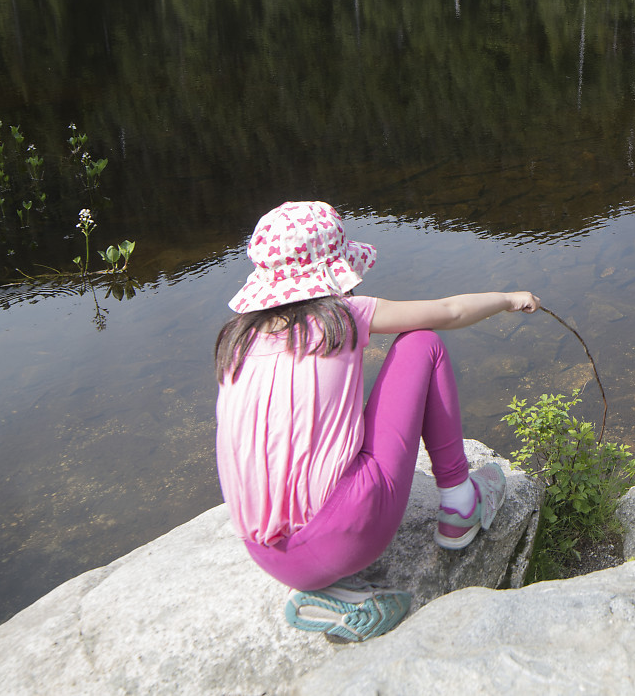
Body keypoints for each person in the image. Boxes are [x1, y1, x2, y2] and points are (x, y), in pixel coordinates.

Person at [214, 200, 540, 641]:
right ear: (330, 271)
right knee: (422, 343)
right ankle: (461, 505)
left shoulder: (238, 340)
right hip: (346, 537)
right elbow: (449, 311)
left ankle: (327, 591)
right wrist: (508, 299)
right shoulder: (342, 316)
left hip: (266, 554)